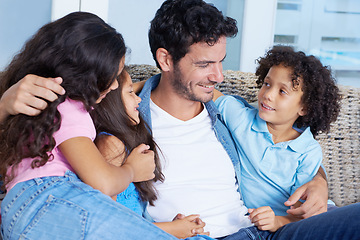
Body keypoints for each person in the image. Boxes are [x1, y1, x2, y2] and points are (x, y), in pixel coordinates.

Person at [1, 0, 360, 239]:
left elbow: (286, 143)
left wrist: (319, 182)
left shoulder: (230, 112)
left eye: (220, 61)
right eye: (205, 65)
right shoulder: (115, 110)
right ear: (166, 59)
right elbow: (43, 145)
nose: (219, 76)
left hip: (263, 232)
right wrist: (3, 106)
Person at [0, 11, 211, 240]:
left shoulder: (42, 110)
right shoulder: (68, 106)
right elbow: (102, 182)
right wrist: (131, 170)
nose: (112, 85)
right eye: (111, 76)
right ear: (85, 76)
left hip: (24, 214)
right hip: (51, 199)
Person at [213, 46, 341, 233]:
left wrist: (277, 222)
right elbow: (210, 94)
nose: (268, 94)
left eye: (282, 91)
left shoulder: (307, 150)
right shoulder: (241, 118)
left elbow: (303, 212)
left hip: (309, 219)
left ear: (304, 108)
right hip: (277, 228)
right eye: (267, 83)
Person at [92, 69, 209, 238]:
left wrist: (174, 226)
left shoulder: (122, 143)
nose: (138, 99)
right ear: (111, 99)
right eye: (130, 92)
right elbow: (112, 223)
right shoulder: (110, 144)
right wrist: (173, 230)